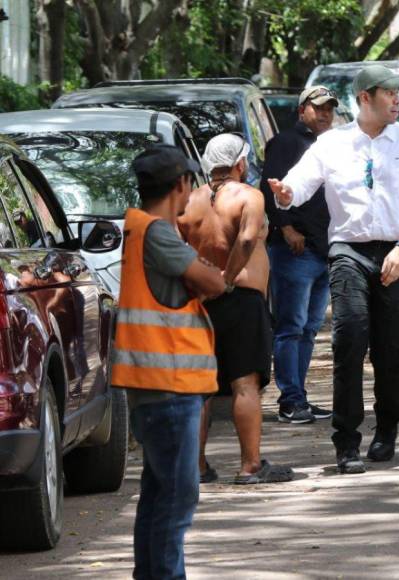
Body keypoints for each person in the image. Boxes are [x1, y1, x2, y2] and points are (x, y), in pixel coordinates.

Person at [268, 64, 399, 474]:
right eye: (389, 92)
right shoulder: (333, 144)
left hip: (397, 249)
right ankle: (346, 441)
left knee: (389, 349)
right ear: (365, 98)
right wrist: (286, 194)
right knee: (349, 342)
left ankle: (388, 427)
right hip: (348, 252)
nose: (398, 99)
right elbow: (299, 184)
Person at [112, 145, 225, 579]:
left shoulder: (141, 229)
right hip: (168, 385)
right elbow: (211, 280)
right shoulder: (157, 233)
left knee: (159, 498)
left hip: (158, 384)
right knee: (177, 501)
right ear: (180, 184)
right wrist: (206, 271)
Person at [178, 133, 294, 485]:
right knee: (245, 385)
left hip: (202, 303)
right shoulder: (250, 196)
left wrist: (200, 283)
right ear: (240, 164)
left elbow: (174, 245)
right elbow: (245, 239)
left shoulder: (191, 202)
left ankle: (196, 467)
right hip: (241, 298)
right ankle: (250, 465)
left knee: (202, 389)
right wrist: (226, 278)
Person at [260, 85, 338, 425]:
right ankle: (290, 400)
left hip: (324, 249)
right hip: (295, 249)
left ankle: (300, 396)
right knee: (290, 327)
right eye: (318, 108)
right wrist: (286, 228)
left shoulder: (332, 146)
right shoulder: (286, 143)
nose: (324, 114)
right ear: (302, 109)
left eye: (329, 109)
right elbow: (269, 189)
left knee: (309, 328)